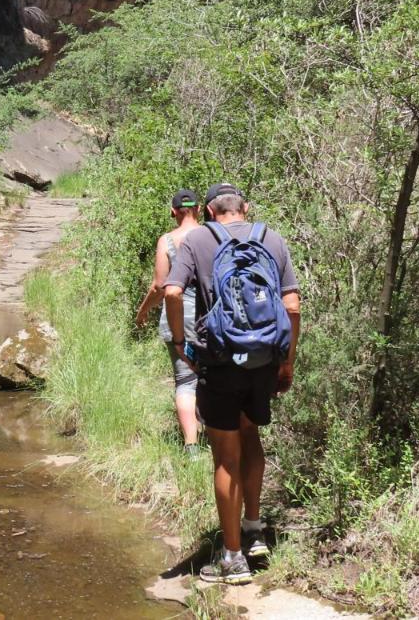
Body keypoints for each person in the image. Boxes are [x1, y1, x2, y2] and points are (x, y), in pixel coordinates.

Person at [163, 183, 301, 585]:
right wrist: (286, 361)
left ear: (208, 211)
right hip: (263, 361)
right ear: (245, 208)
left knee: (226, 455)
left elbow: (172, 291)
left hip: (220, 361)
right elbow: (292, 305)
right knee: (251, 436)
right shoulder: (270, 238)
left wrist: (179, 340)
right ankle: (255, 529)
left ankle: (233, 557)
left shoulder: (197, 240)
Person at [134, 188, 203, 454]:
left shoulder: (167, 241)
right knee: (212, 375)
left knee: (185, 380)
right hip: (212, 317)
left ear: (173, 212)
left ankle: (191, 446)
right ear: (199, 209)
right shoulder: (214, 236)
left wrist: (142, 312)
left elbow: (160, 286)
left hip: (177, 318)